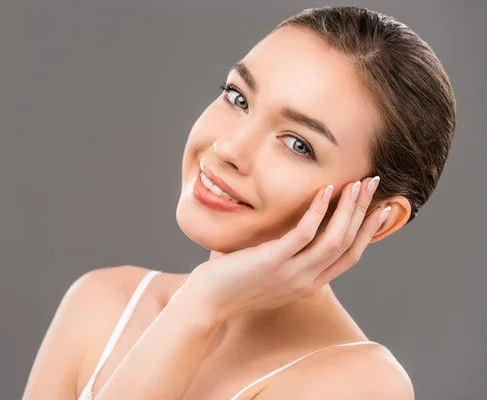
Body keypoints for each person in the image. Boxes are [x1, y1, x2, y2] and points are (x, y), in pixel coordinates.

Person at [22, 5, 455, 400]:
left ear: (378, 219)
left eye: (298, 144)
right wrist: (200, 303)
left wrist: (201, 304)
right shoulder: (102, 303)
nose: (229, 147)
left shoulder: (361, 385)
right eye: (238, 98)